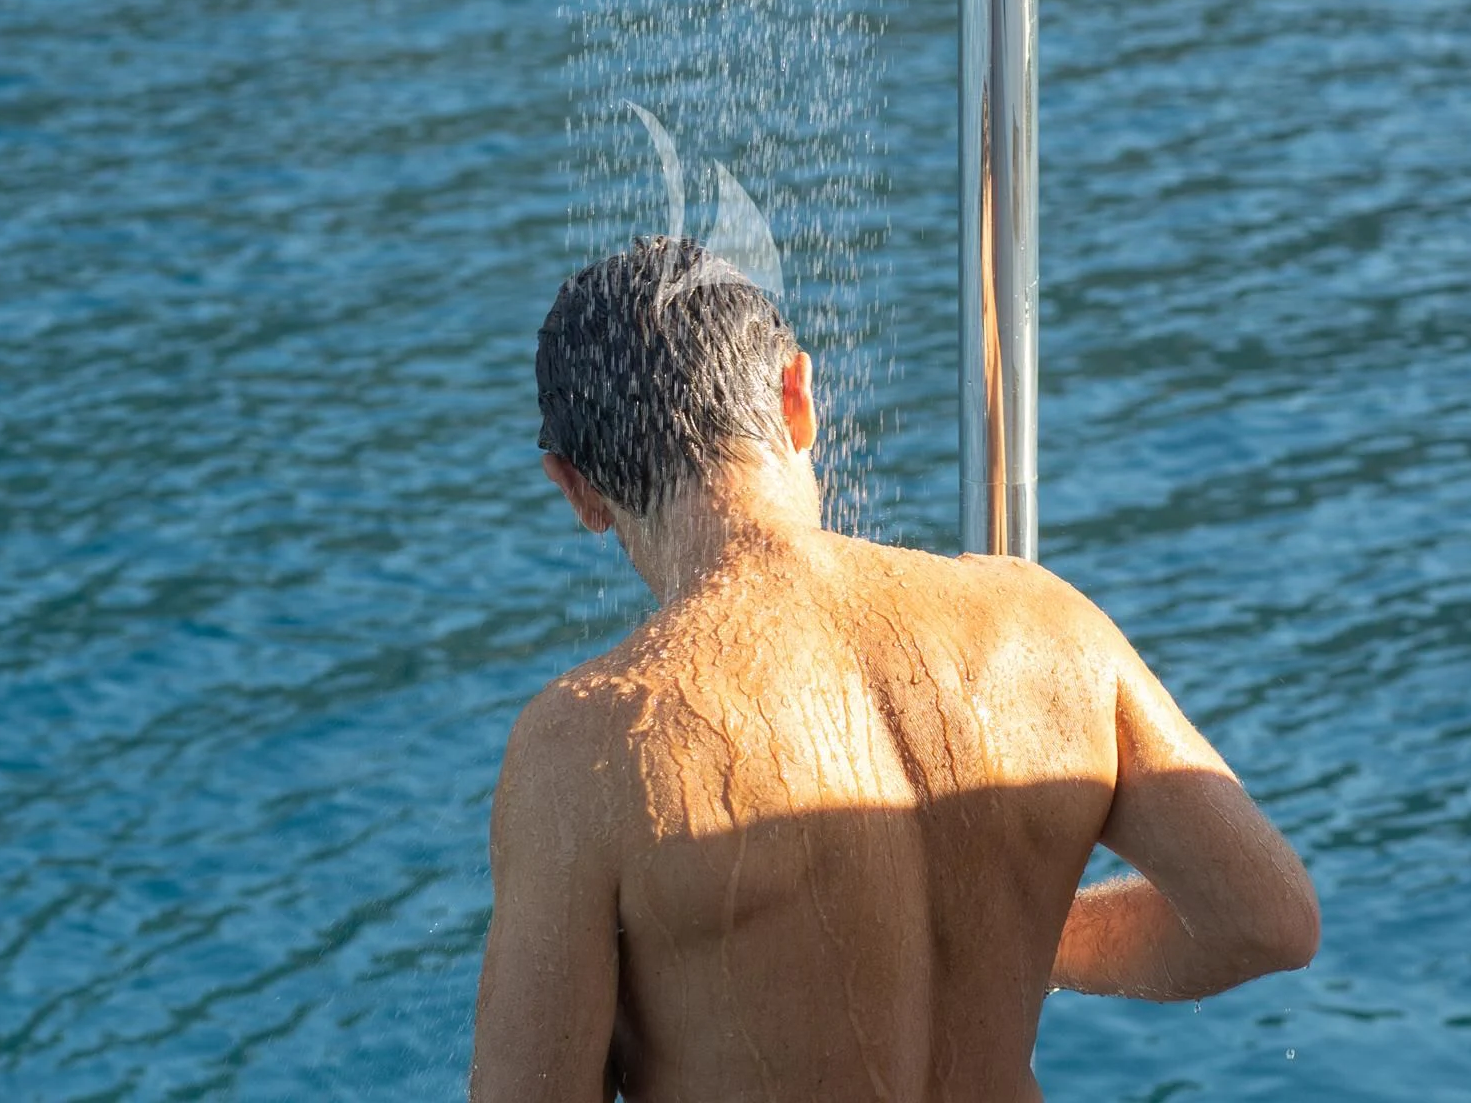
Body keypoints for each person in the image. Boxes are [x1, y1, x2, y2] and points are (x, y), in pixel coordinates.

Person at [472, 237, 1319, 1103]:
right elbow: (1267, 920)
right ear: (798, 398)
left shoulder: (591, 745)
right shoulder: (1045, 625)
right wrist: (1017, 935)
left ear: (576, 489)